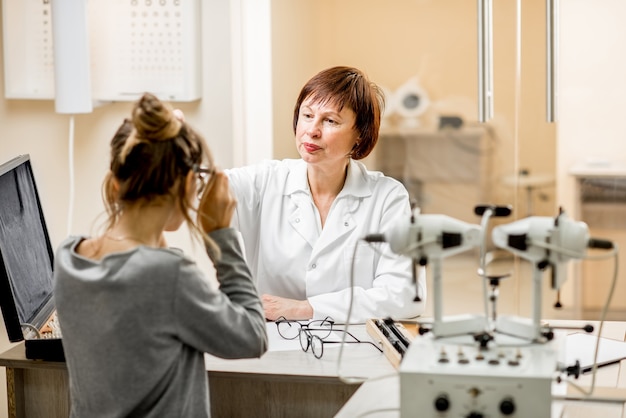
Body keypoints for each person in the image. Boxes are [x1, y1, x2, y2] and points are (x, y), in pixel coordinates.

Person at [54, 93, 267, 418]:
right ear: (188, 187)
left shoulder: (69, 259)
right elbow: (252, 335)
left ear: (114, 186)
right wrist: (220, 235)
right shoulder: (169, 276)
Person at [226, 66, 427, 323]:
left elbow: (405, 295)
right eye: (307, 115)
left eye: (330, 121)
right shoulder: (265, 181)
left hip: (353, 347)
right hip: (270, 344)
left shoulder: (387, 198)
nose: (312, 130)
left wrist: (305, 309)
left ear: (359, 135)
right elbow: (204, 187)